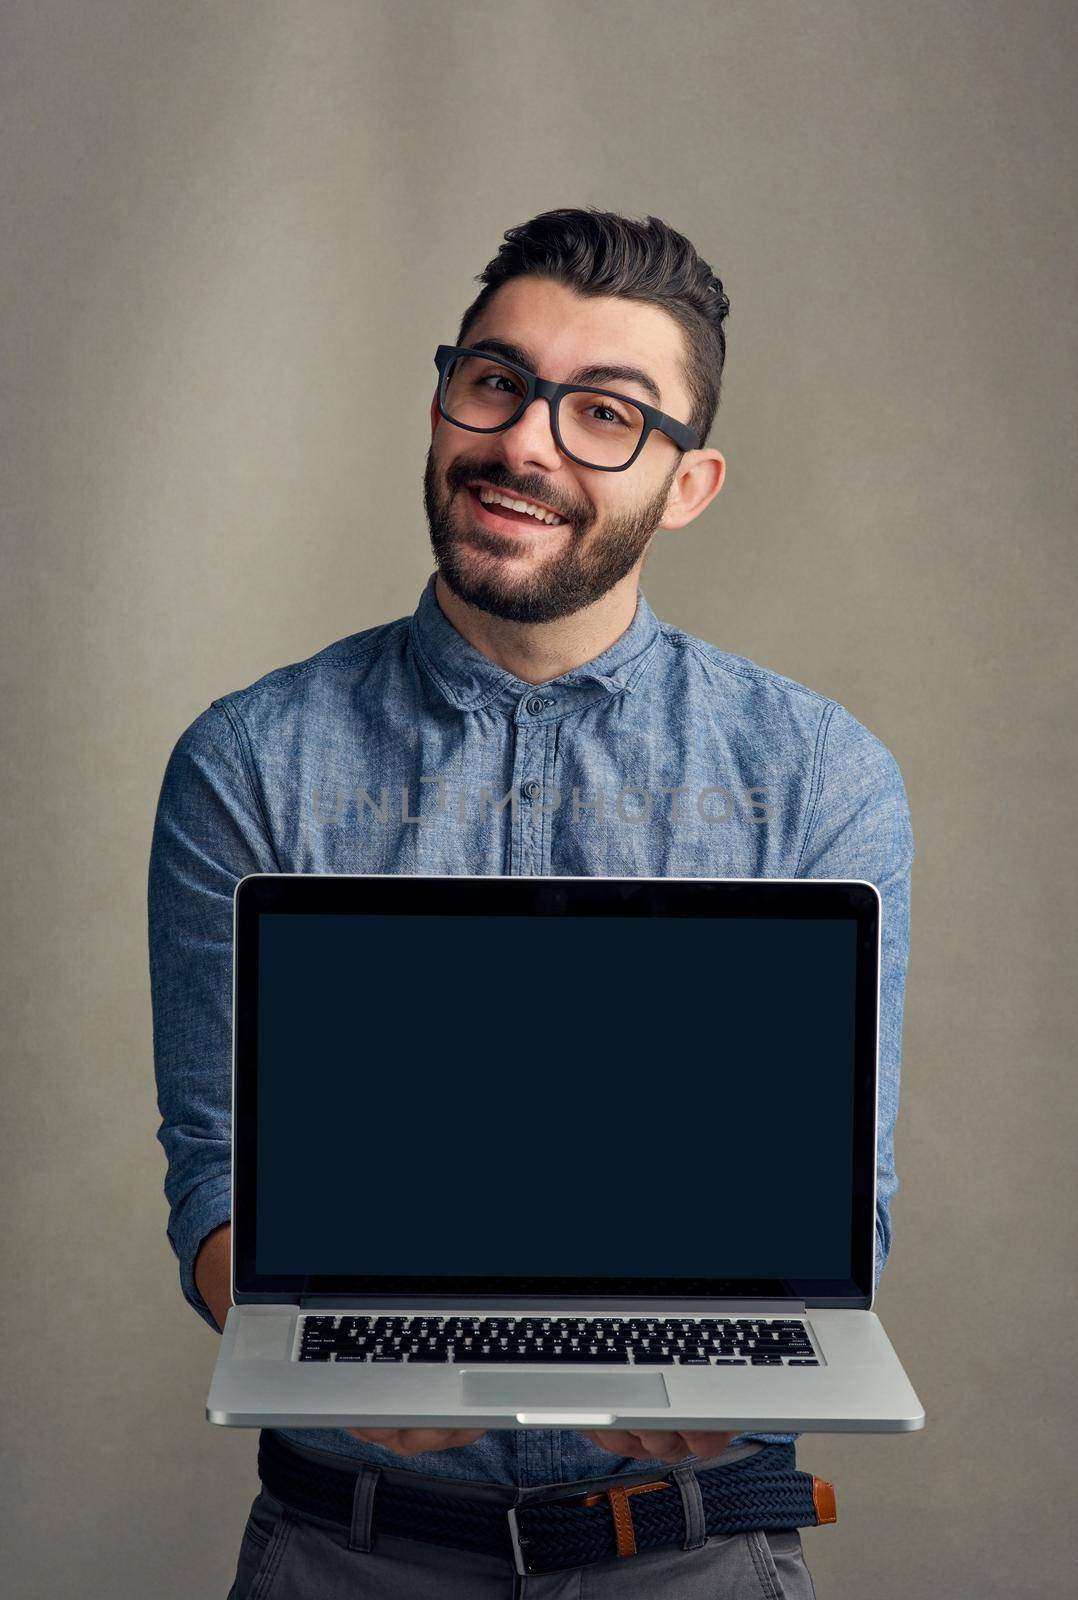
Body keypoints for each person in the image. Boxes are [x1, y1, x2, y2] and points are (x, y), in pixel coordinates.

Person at [148, 206, 913, 1597]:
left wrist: (730, 1359)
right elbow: (213, 1171)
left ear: (689, 484)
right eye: (496, 382)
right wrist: (304, 1341)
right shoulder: (247, 761)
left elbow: (836, 1205)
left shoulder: (816, 775)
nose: (525, 443)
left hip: (693, 1556)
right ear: (444, 400)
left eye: (605, 414)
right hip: (349, 1553)